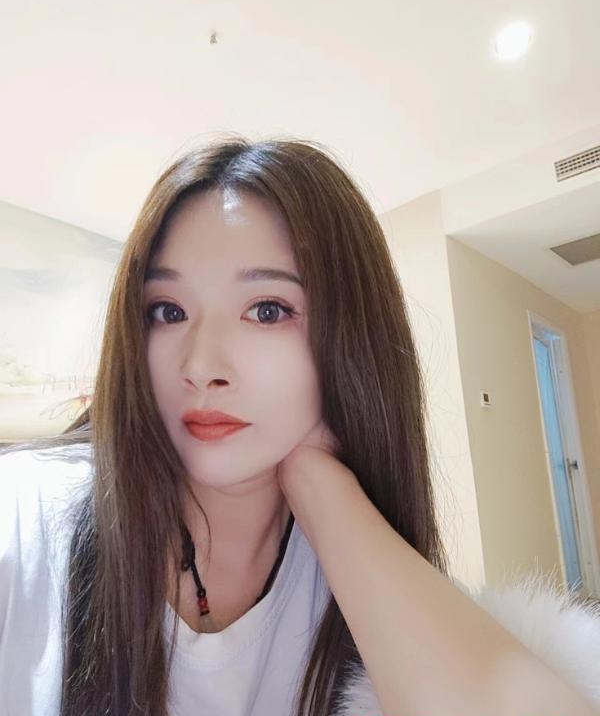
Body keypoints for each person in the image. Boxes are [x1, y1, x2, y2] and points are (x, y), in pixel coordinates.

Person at [1, 138, 598, 716]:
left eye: (267, 311)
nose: (201, 366)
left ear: (349, 341)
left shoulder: (350, 572)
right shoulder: (25, 516)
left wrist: (319, 483)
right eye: (169, 311)